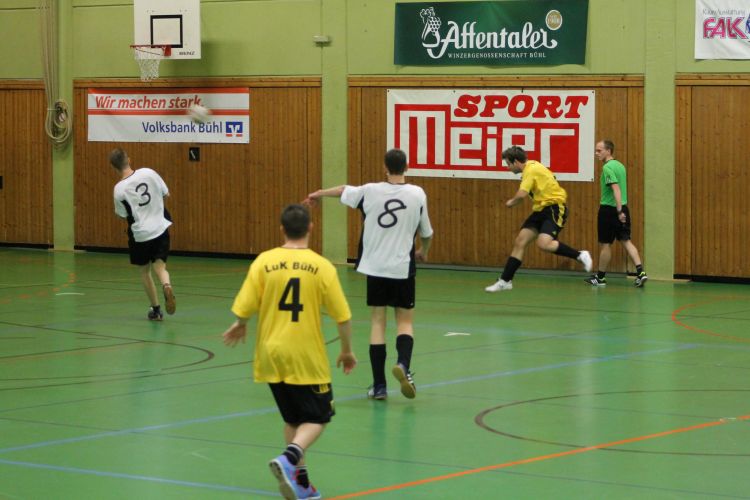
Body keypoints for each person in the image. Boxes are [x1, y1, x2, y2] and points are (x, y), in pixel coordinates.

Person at [222, 204, 356, 500]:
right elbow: (343, 316)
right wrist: (346, 351)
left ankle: (302, 483)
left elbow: (245, 304)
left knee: (294, 420)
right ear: (311, 228)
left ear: (282, 229)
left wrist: (240, 324)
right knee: (320, 417)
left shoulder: (264, 261)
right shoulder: (322, 266)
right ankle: (290, 456)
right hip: (304, 355)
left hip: (270, 355)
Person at [305, 148, 433, 401]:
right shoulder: (417, 194)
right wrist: (423, 251)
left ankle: (379, 386)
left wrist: (318, 194)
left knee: (377, 322)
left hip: (375, 267)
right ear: (407, 167)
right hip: (402, 267)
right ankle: (403, 365)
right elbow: (427, 232)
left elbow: (344, 190)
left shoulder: (370, 190)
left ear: (385, 168)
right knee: (404, 321)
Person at [485, 145, 592, 292]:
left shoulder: (531, 170)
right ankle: (505, 280)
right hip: (540, 210)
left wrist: (511, 202)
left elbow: (522, 194)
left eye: (508, 164)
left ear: (516, 161)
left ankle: (580, 255)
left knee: (544, 243)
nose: (507, 167)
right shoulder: (531, 168)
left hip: (554, 208)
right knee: (520, 241)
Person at [109, 148, 176, 320]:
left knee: (145, 272)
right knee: (160, 267)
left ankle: (156, 310)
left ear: (114, 168)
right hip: (160, 228)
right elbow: (166, 194)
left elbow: (122, 215)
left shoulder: (119, 189)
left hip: (140, 235)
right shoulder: (149, 172)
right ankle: (167, 285)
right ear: (129, 159)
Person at [585, 140, 648, 287]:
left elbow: (616, 189)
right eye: (596, 151)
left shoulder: (607, 168)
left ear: (608, 151)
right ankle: (641, 272)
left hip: (610, 210)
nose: (596, 153)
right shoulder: (620, 166)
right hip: (623, 207)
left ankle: (600, 278)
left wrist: (618, 211)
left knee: (606, 244)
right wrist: (622, 209)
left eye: (599, 151)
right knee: (626, 241)